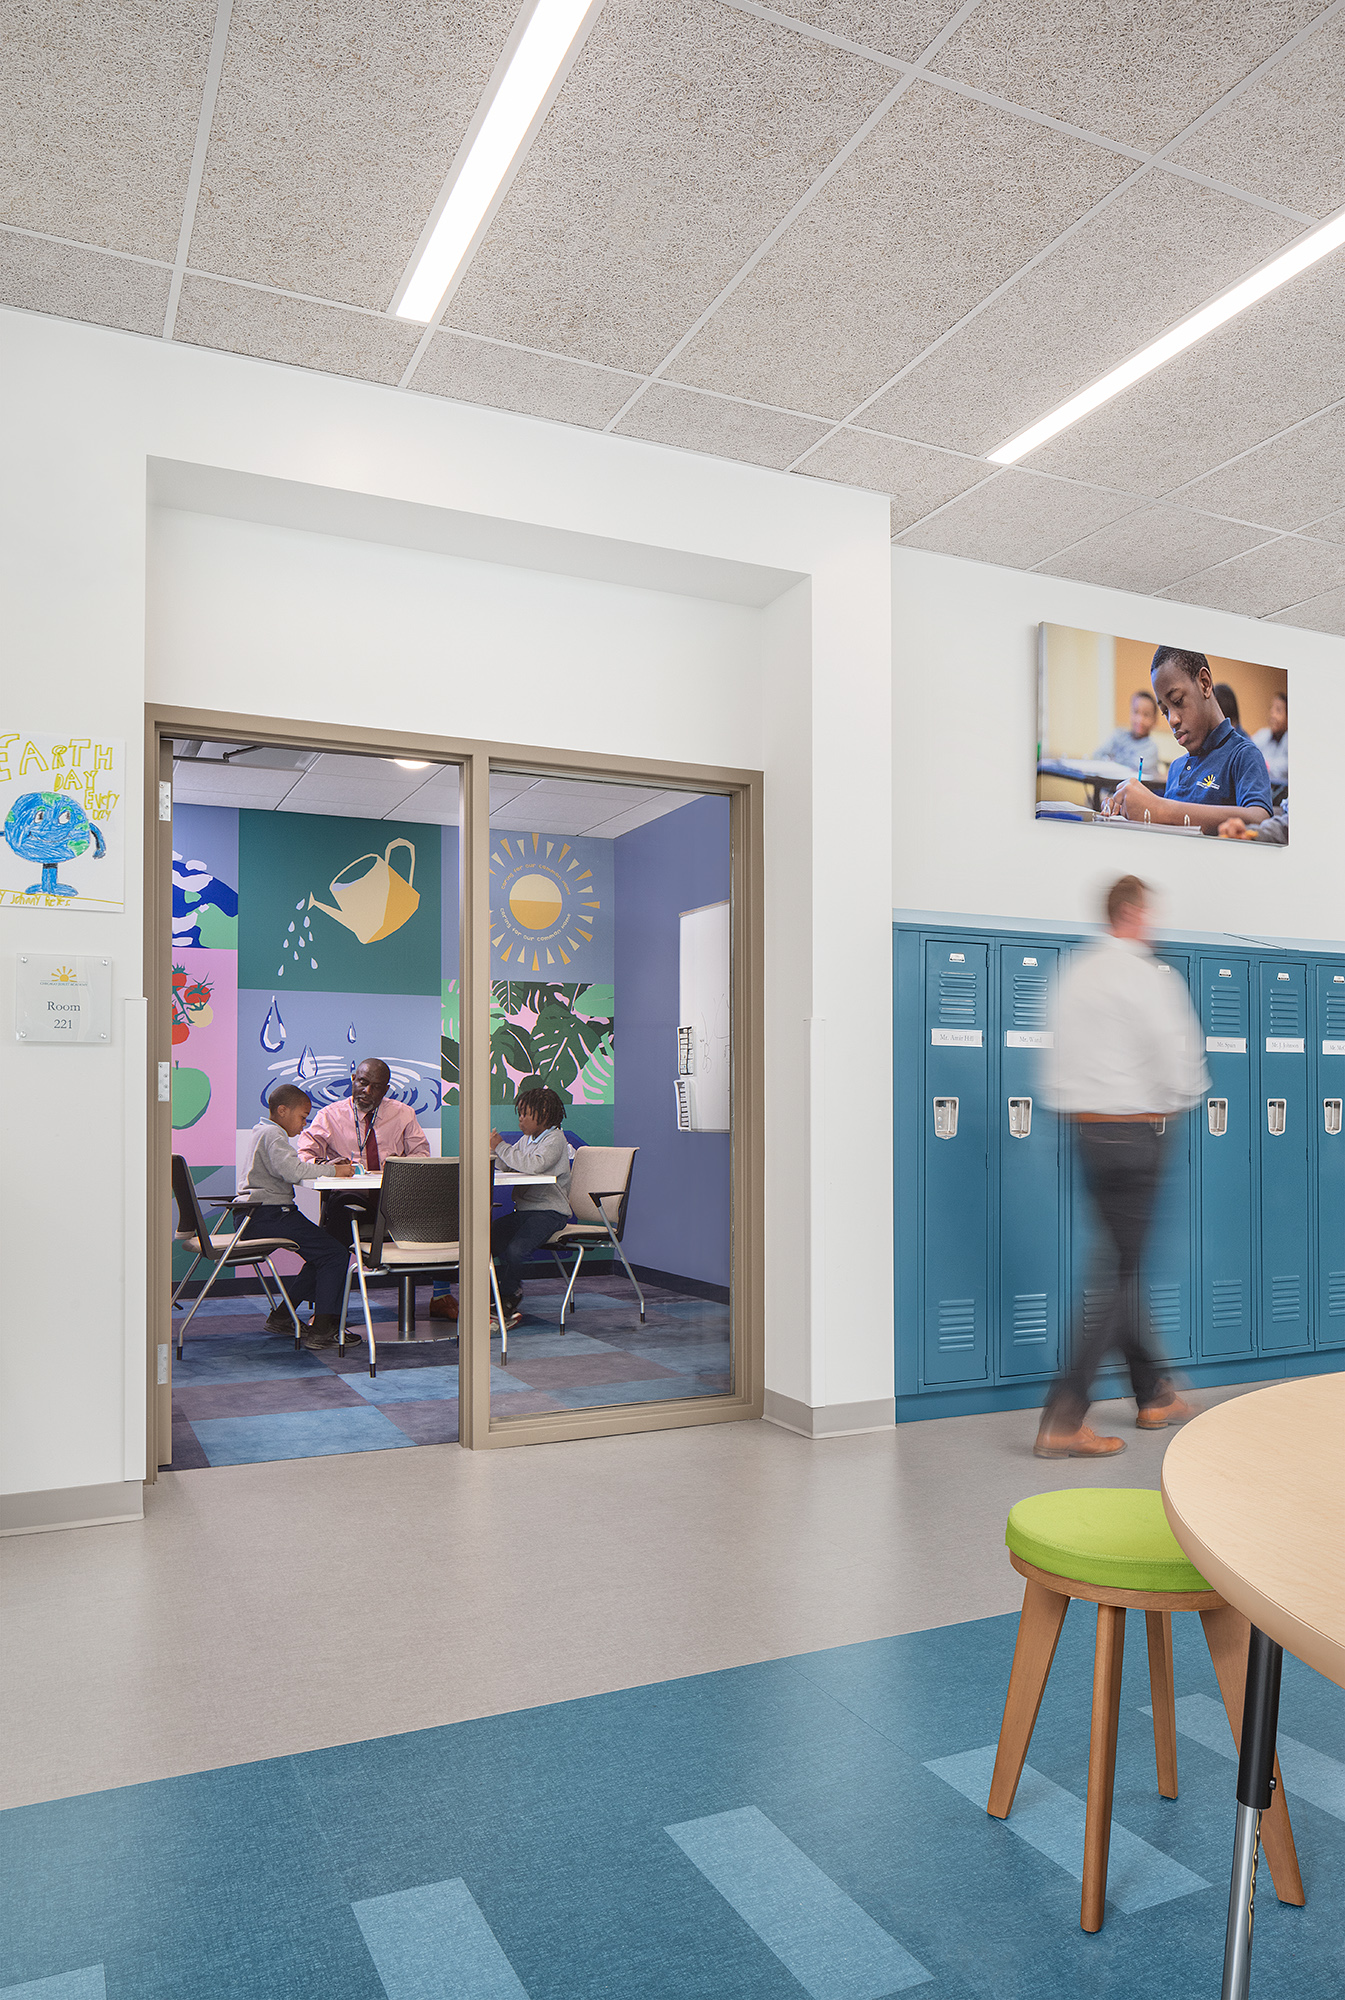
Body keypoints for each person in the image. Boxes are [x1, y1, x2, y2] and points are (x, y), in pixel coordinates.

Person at [1036, 875, 1207, 1458]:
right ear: (1132, 913)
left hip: (1086, 1130)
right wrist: (1183, 1098)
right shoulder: (1143, 973)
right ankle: (1064, 1412)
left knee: (1120, 1258)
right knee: (1119, 1273)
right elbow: (1173, 1051)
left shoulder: (1076, 973)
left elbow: (1054, 1062)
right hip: (1137, 1131)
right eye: (1149, 913)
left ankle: (1154, 1392)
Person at [1103, 647, 1271, 833]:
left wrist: (1160, 809)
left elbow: (1260, 818)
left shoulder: (1243, 755)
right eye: (1165, 711)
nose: (1172, 720)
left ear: (1204, 684)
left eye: (1177, 701)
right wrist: (1129, 810)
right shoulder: (1176, 768)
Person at [239, 1084, 355, 1349]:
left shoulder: (262, 1132)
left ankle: (282, 1317)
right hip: (270, 1214)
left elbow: (292, 1168)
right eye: (303, 1117)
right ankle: (324, 1330)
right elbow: (293, 1171)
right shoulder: (273, 1135)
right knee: (335, 1254)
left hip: (256, 1215)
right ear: (282, 1111)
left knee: (324, 1254)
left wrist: (325, 1169)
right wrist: (335, 1172)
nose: (305, 1124)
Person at [489, 1086, 572, 1331]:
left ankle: (509, 1296)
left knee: (516, 1250)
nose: (520, 1119)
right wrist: (498, 1154)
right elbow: (513, 1165)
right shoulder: (528, 1139)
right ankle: (490, 1295)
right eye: (520, 1114)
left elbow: (533, 1166)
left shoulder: (555, 1139)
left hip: (550, 1212)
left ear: (544, 1114)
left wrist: (501, 1147)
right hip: (525, 1211)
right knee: (486, 1239)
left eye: (525, 1114)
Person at [1094, 690, 1160, 774]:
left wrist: (1111, 760)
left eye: (1146, 715)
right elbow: (1097, 755)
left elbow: (1132, 772)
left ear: (1154, 720)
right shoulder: (1118, 735)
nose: (1139, 720)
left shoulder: (1151, 748)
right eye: (1136, 712)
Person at [1252, 690, 1288, 790]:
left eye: (1278, 710)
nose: (1272, 715)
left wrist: (1263, 765)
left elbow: (1285, 768)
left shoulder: (1291, 740)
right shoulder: (1263, 734)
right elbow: (1249, 755)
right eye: (1271, 710)